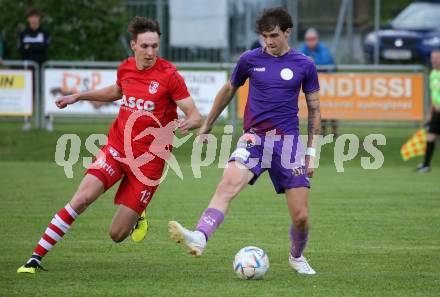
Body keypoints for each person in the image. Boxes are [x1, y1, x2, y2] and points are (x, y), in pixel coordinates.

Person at [17, 16, 202, 274]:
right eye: (145, 46)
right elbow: (117, 92)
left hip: (148, 165)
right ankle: (35, 258)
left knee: (116, 234)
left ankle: (138, 214)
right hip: (117, 149)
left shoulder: (169, 75)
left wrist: (190, 122)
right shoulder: (126, 68)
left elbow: (194, 114)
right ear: (133, 46)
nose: (151, 52)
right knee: (81, 199)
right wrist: (78, 96)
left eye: (155, 46)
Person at [168, 7, 321, 275]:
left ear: (288, 32)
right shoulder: (250, 60)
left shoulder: (304, 65)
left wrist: (312, 153)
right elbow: (228, 90)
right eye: (264, 36)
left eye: (274, 35)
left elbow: (315, 110)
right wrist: (206, 126)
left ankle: (296, 256)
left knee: (301, 217)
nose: (269, 42)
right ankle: (200, 237)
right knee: (227, 184)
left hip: (289, 146)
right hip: (255, 139)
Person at [18, 8, 52, 131]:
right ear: (28, 19)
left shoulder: (45, 33)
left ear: (39, 18)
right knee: (28, 95)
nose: (33, 19)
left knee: (45, 95)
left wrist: (29, 47)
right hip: (28, 70)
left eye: (35, 16)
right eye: (31, 17)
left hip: (42, 68)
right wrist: (35, 47)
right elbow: (21, 50)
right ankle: (27, 121)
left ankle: (48, 121)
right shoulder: (23, 34)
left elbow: (45, 48)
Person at [300, 28, 337, 137]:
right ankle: (321, 132)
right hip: (315, 84)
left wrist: (311, 60)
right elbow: (300, 61)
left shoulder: (323, 47)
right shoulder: (303, 48)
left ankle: (335, 132)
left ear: (317, 39)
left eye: (312, 38)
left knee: (332, 107)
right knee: (317, 107)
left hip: (328, 83)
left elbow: (325, 62)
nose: (310, 41)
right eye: (308, 39)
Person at [417, 49, 440, 172]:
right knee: (430, 136)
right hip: (437, 113)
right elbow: (433, 95)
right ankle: (426, 165)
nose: (434, 61)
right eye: (433, 58)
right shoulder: (433, 74)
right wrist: (430, 113)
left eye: (437, 58)